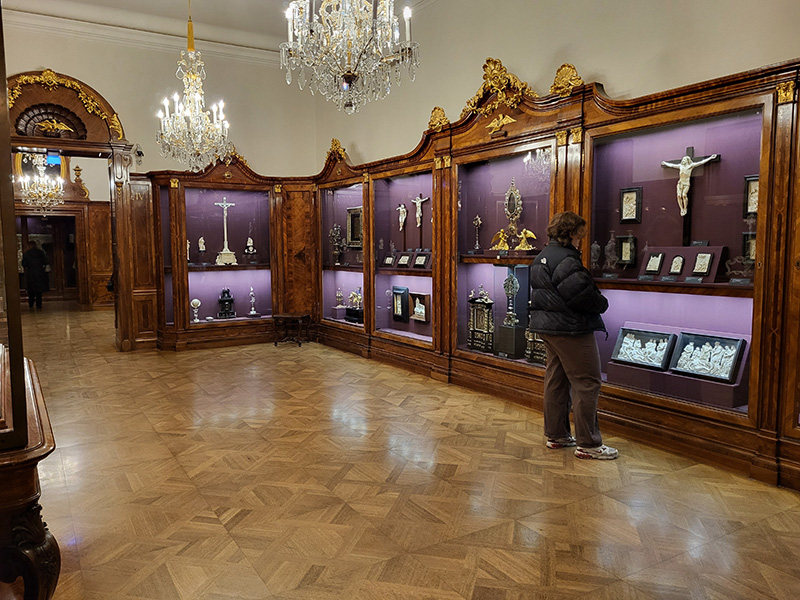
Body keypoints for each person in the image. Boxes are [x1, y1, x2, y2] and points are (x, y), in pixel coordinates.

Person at [529, 212, 618, 460]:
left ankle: (556, 435)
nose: (581, 240)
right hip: (571, 329)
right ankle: (588, 444)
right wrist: (602, 303)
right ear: (570, 234)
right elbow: (581, 295)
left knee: (556, 380)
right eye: (580, 235)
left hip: (549, 328)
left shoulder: (542, 256)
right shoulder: (566, 259)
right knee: (587, 382)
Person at [22, 241, 49, 309]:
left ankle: (31, 304)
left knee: (31, 290)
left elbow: (24, 264)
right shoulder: (41, 253)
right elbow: (45, 261)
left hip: (31, 273)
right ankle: (39, 304)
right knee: (39, 291)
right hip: (40, 273)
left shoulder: (27, 254)